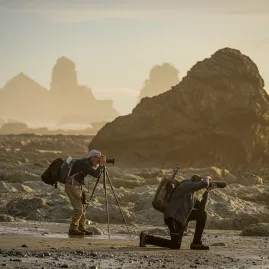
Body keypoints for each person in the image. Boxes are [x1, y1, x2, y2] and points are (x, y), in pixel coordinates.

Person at [140, 174, 216, 250]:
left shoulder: (192, 194)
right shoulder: (185, 185)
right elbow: (204, 183)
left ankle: (196, 243)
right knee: (175, 245)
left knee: (202, 214)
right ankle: (146, 238)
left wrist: (207, 192)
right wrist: (207, 177)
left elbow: (201, 208)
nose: (199, 188)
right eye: (198, 184)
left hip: (181, 219)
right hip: (173, 218)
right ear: (195, 182)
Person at [65, 149, 106, 236]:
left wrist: (100, 165)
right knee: (79, 209)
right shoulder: (84, 163)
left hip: (77, 186)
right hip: (72, 186)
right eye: (97, 158)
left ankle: (81, 228)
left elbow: (94, 171)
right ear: (92, 157)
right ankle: (72, 229)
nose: (98, 160)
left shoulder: (86, 162)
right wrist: (101, 166)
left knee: (83, 208)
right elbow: (96, 174)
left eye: (99, 158)